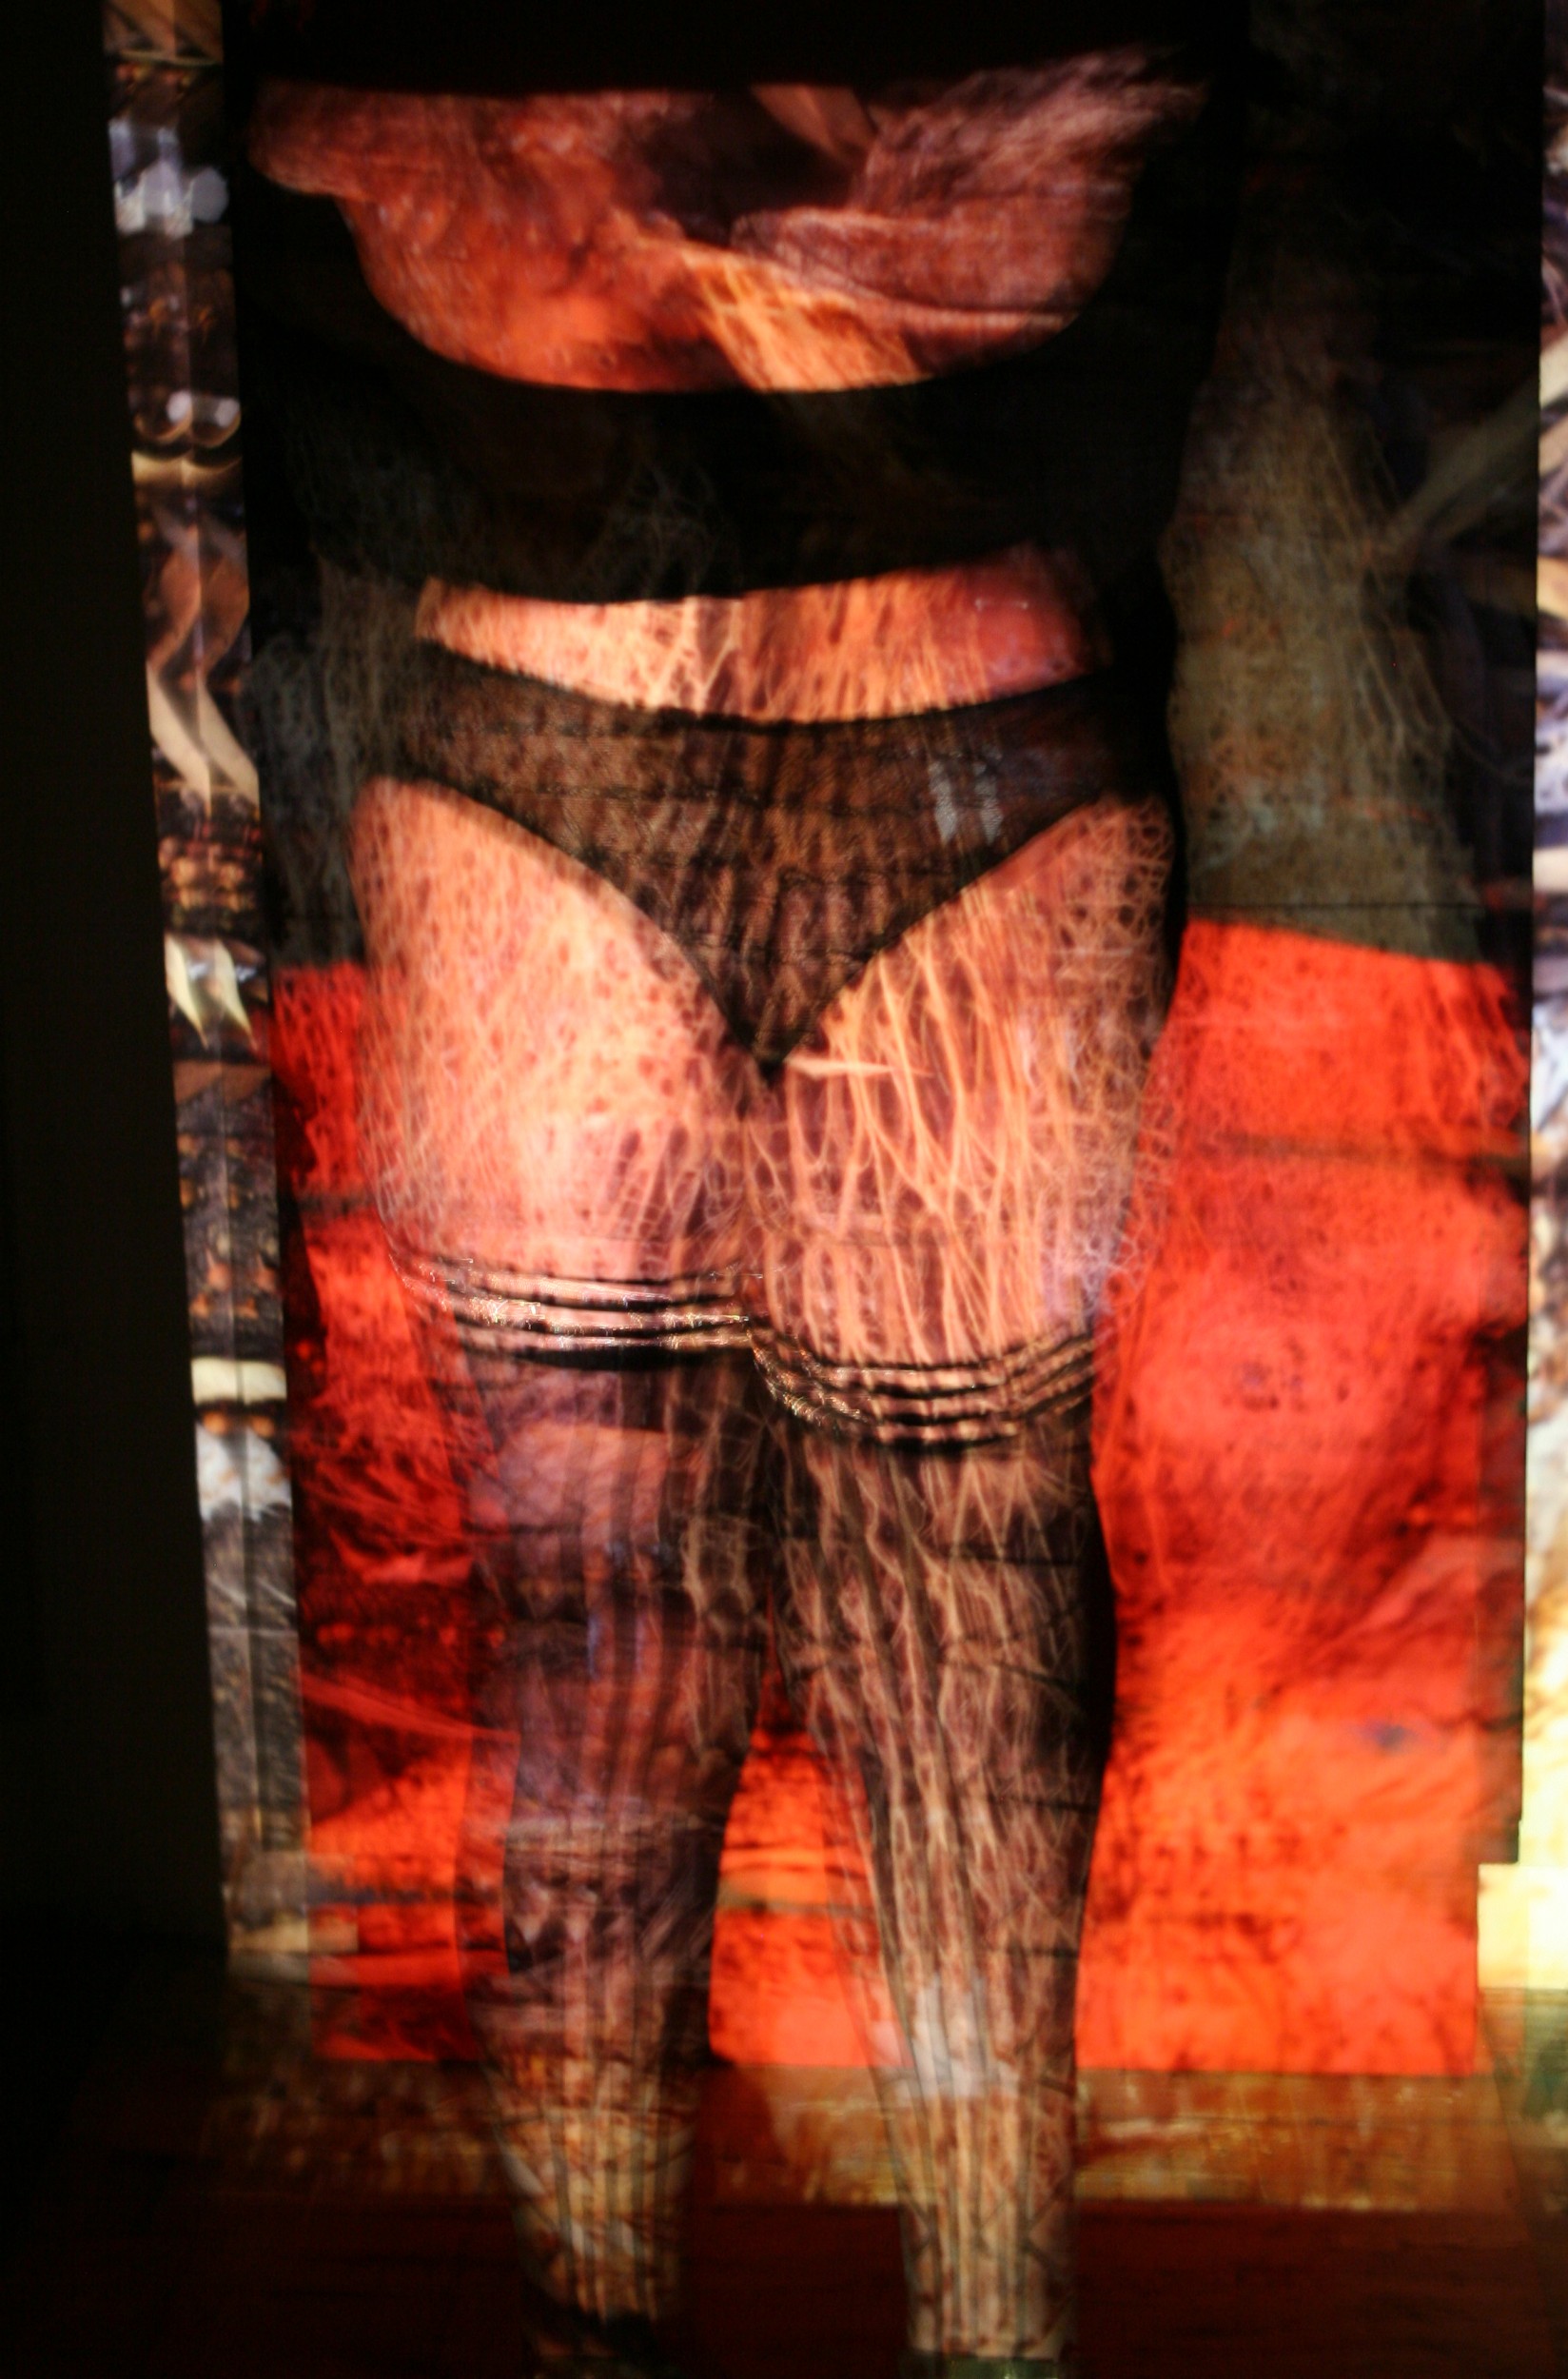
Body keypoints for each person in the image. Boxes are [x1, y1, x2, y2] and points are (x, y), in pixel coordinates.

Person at [234, 15, 1244, 2370]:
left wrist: (680, 221)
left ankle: (954, 2336)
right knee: (635, 1636)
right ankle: (679, 2334)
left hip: (907, 774)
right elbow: (344, 144)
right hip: (651, 762)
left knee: (927, 1637)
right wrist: (801, 238)